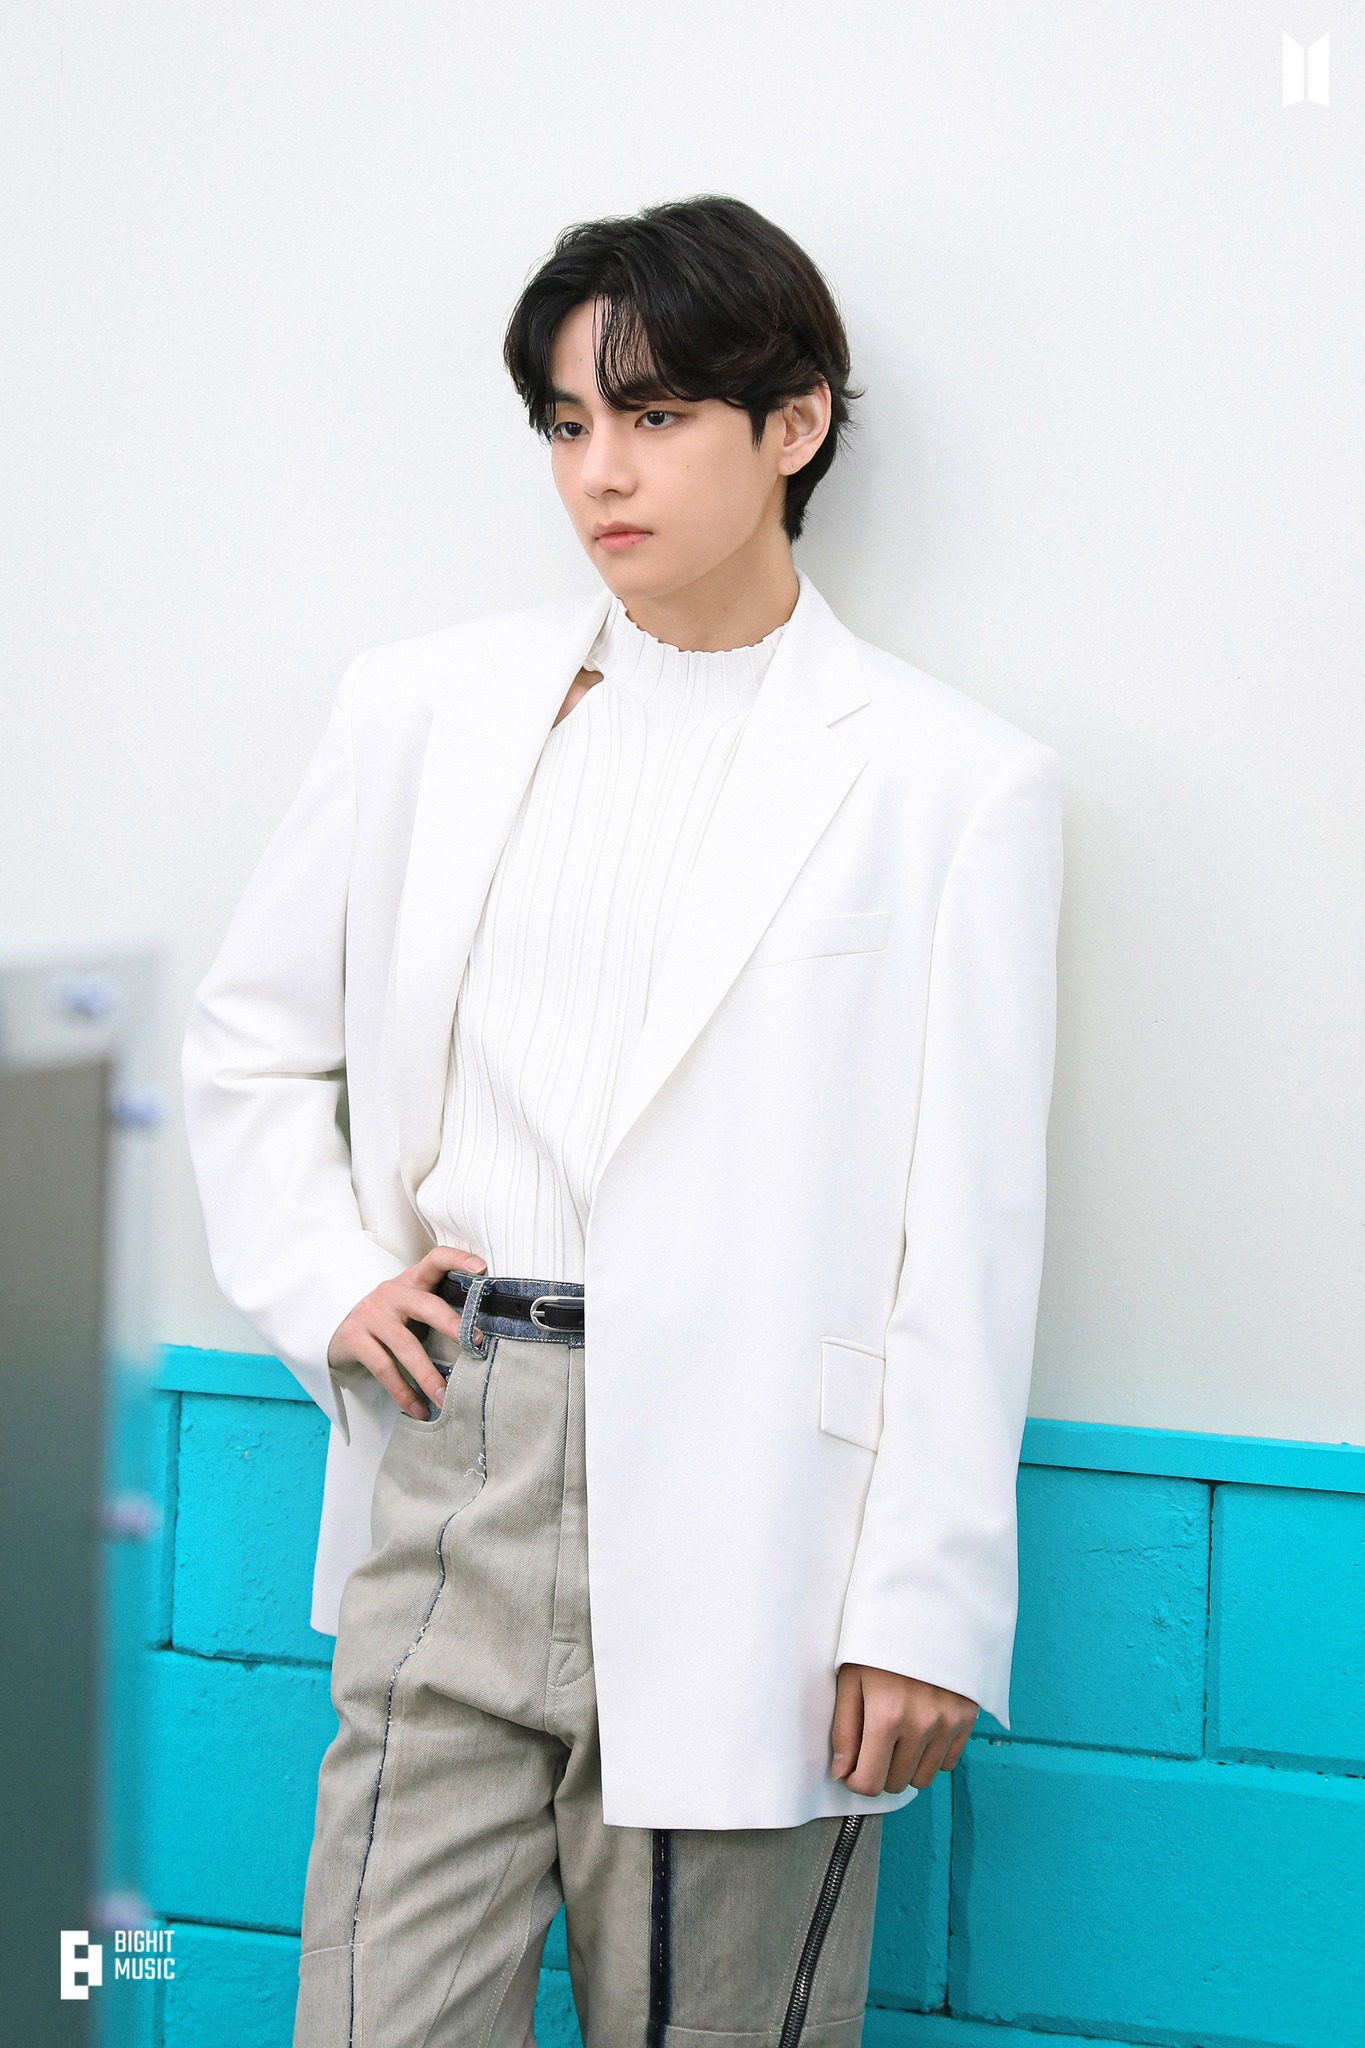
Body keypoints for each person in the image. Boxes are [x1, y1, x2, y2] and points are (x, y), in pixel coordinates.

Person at [182, 194, 1063, 2048]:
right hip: (460, 1432)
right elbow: (251, 1041)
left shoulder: (950, 784)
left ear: (793, 425)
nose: (601, 473)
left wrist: (921, 1609)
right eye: (568, 423)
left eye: (655, 417)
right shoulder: (419, 709)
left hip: (761, 1513)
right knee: (376, 2016)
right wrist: (328, 1280)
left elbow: (966, 1234)